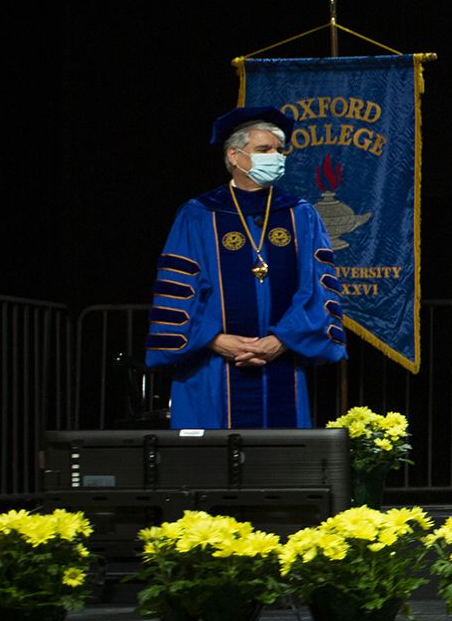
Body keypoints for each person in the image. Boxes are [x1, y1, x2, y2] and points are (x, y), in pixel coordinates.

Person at [146, 106, 346, 428]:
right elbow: (178, 293)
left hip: (281, 361)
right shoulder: (199, 214)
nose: (276, 157)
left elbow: (318, 289)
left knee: (279, 465)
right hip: (213, 367)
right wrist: (215, 339)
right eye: (264, 149)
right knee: (212, 468)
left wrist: (280, 341)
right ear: (235, 156)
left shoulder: (300, 214)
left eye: (280, 150)